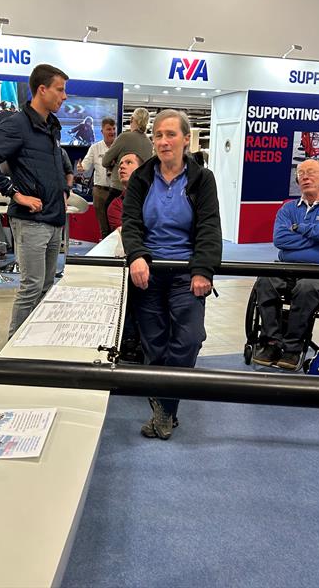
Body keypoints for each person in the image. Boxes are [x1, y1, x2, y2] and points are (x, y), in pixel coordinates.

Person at [122, 109, 222, 440]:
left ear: (186, 140)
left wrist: (203, 268)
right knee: (155, 343)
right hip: (147, 272)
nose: (164, 141)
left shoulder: (202, 179)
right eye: (159, 136)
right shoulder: (141, 178)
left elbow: (209, 226)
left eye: (171, 135)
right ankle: (167, 411)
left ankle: (163, 407)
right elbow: (132, 223)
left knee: (189, 339)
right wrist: (136, 255)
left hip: (186, 273)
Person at [0, 63, 70, 338]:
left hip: (53, 219)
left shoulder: (52, 126)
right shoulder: (17, 125)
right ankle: (14, 352)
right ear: (42, 89)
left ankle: (35, 341)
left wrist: (61, 191)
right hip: (31, 221)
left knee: (46, 286)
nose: (64, 97)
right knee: (31, 287)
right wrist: (15, 193)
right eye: (60, 90)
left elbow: (48, 168)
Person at [252, 159, 319, 371]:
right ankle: (270, 341)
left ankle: (293, 348)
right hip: (286, 267)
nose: (305, 177)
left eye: (311, 172)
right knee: (264, 281)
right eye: (301, 173)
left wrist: (299, 228)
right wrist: (318, 234)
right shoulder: (288, 209)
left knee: (307, 288)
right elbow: (280, 240)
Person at [77, 117, 117, 239]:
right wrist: (81, 168)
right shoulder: (95, 148)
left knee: (116, 226)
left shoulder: (120, 147)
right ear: (102, 131)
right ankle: (105, 256)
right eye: (109, 129)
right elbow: (85, 165)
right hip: (100, 192)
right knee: (104, 228)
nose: (112, 132)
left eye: (114, 129)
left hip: (116, 192)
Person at [103, 107, 154, 190]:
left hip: (119, 188)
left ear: (132, 119)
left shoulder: (124, 137)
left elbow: (105, 161)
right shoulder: (149, 144)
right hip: (138, 190)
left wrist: (114, 167)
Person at [106, 152, 143, 232]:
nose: (122, 166)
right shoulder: (115, 206)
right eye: (120, 165)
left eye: (129, 162)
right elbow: (128, 236)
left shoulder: (156, 195)